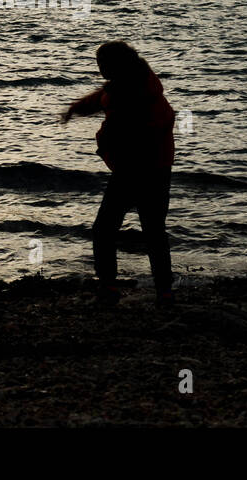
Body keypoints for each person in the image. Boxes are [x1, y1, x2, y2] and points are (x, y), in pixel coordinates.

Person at [61, 41, 177, 306]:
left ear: (117, 64)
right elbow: (103, 98)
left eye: (103, 63)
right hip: (151, 168)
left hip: (139, 170)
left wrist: (104, 141)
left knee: (106, 229)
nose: (99, 68)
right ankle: (163, 290)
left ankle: (111, 287)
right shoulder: (132, 83)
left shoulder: (134, 92)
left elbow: (121, 126)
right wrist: (75, 109)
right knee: (152, 231)